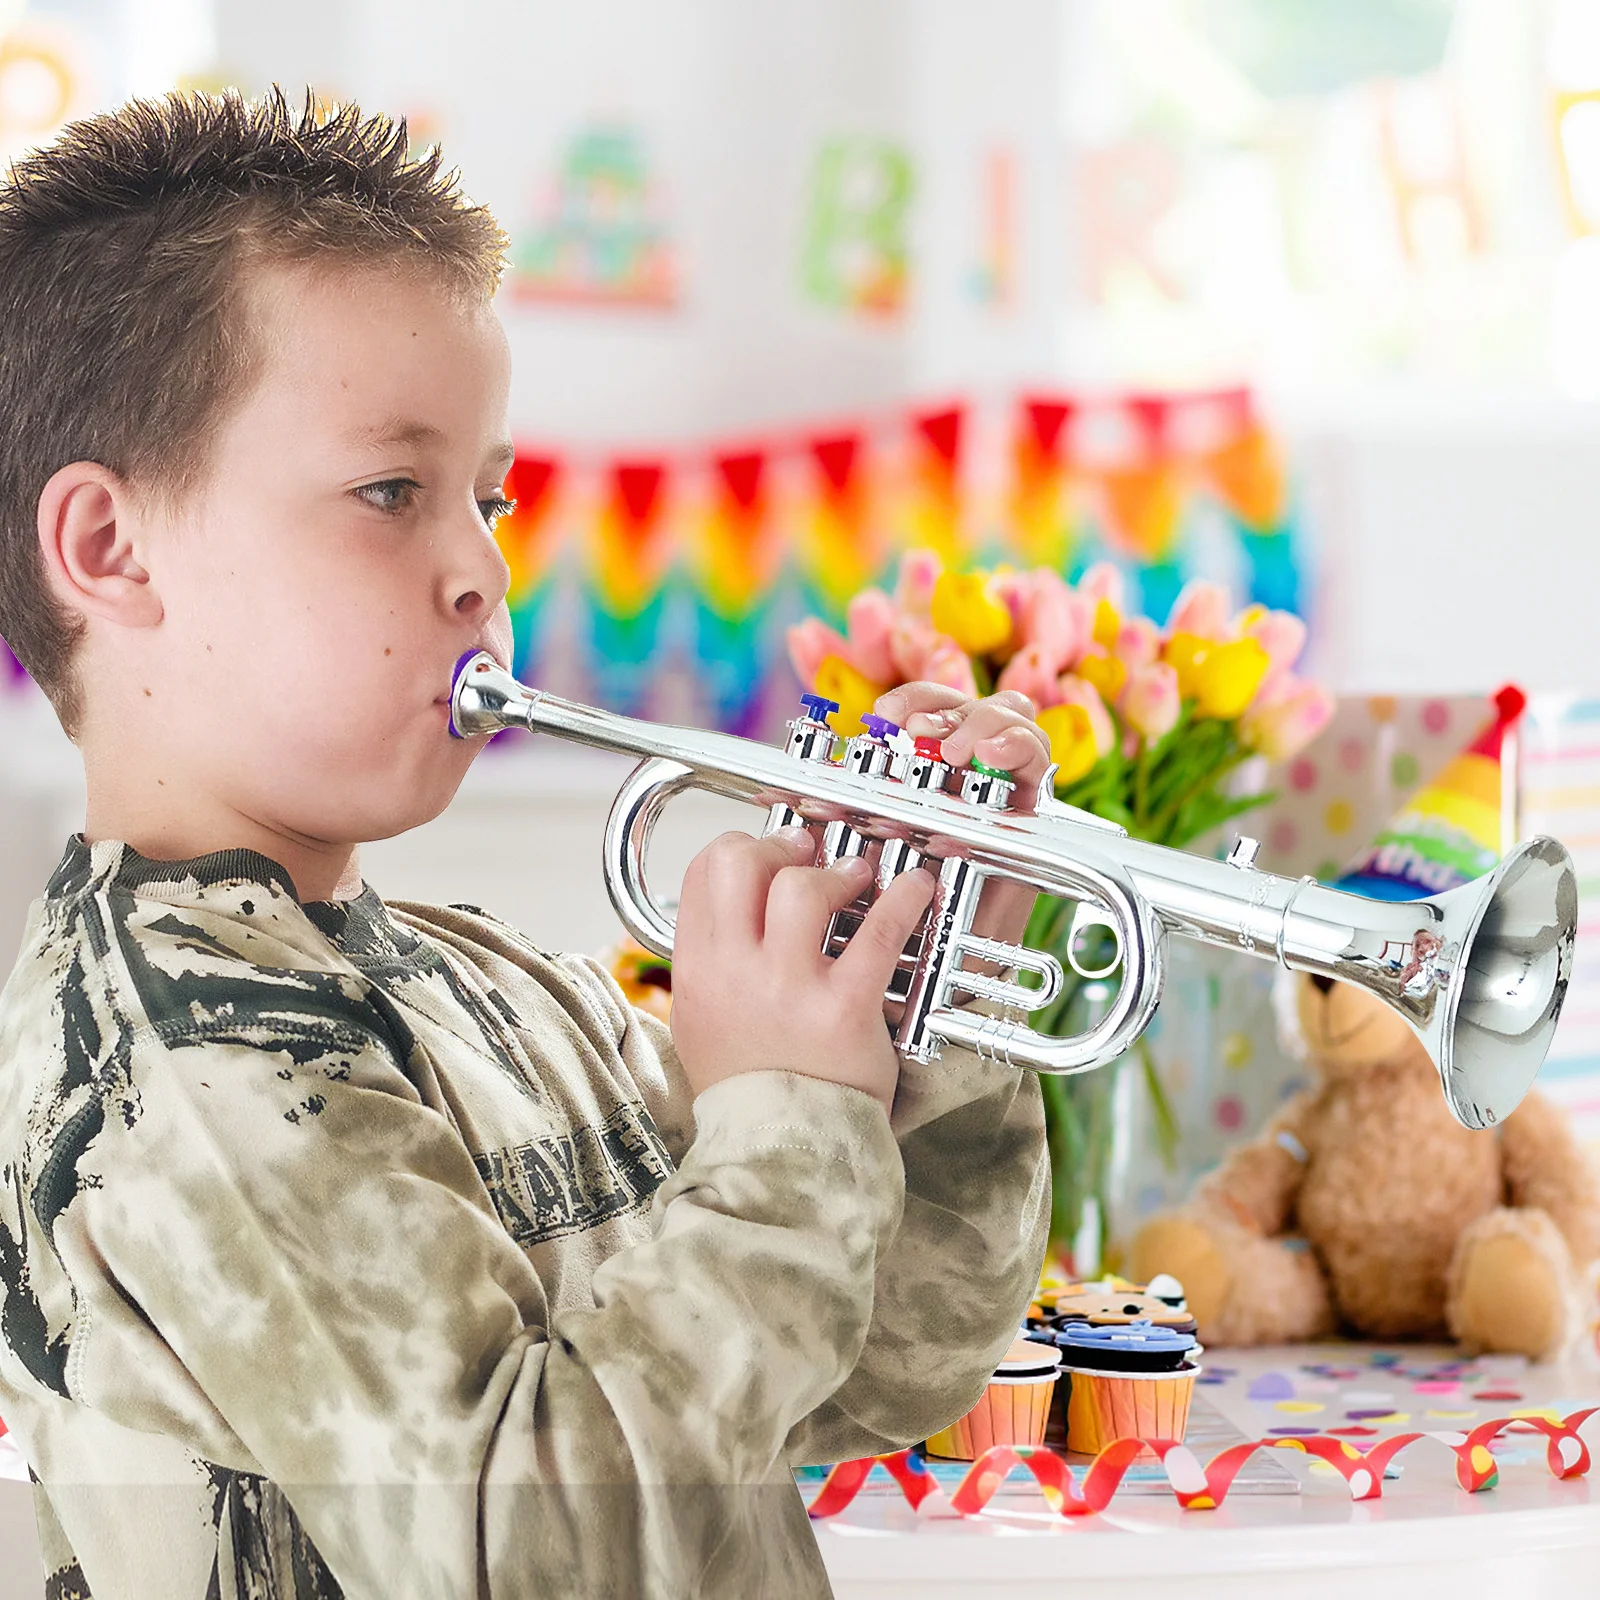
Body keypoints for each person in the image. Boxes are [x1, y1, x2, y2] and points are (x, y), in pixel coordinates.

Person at [0, 89, 1050, 1598]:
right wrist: (790, 1116)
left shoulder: (503, 987)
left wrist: (911, 1023)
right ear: (112, 548)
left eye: (487, 497)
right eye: (390, 492)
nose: (482, 570)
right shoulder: (182, 1063)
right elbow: (521, 1558)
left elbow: (883, 1368)